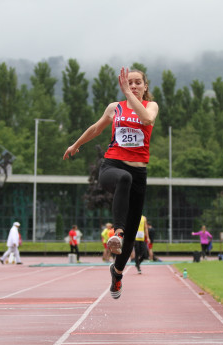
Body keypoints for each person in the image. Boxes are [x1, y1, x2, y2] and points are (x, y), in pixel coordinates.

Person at [63, 67, 159, 299]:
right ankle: (117, 232)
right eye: (129, 82)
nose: (133, 86)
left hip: (138, 173)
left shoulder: (150, 106)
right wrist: (76, 145)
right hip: (112, 167)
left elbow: (147, 120)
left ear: (145, 86)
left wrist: (128, 95)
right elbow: (97, 128)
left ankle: (117, 273)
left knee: (131, 235)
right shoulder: (114, 108)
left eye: (137, 83)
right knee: (123, 179)